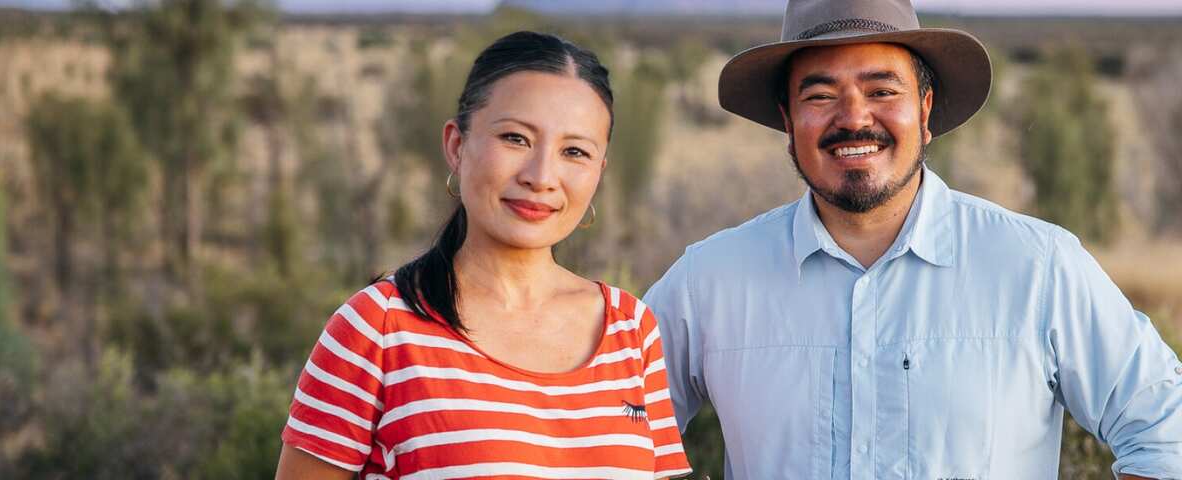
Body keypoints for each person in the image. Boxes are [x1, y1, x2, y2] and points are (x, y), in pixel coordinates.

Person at [644, 0, 1182, 478]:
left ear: (925, 112)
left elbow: (1166, 428)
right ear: (788, 121)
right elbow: (606, 432)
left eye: (882, 90)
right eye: (821, 95)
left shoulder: (1038, 268)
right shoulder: (708, 281)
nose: (854, 118)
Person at [274, 31, 692, 479]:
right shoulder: (377, 328)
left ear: (598, 173)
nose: (542, 176)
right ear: (457, 146)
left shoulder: (632, 329)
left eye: (575, 151)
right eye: (516, 139)